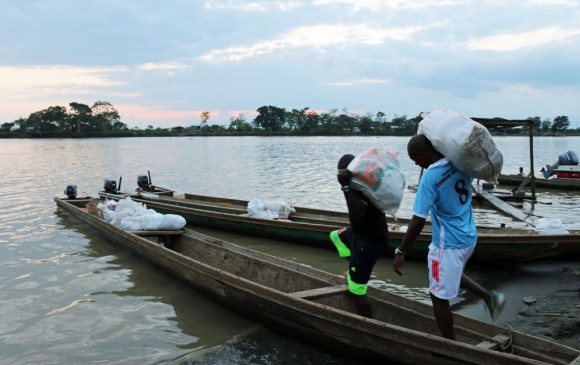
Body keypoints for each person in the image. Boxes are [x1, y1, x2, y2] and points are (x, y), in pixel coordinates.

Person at [393, 134, 506, 340]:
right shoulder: (460, 163)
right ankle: (489, 297)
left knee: (437, 296)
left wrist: (401, 251)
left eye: (415, 159)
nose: (417, 163)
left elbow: (417, 221)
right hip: (469, 237)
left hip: (449, 244)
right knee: (449, 272)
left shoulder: (430, 177)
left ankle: (450, 345)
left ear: (423, 153)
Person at [329, 153, 390, 318]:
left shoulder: (358, 186)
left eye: (341, 173)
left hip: (369, 243)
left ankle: (369, 324)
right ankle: (353, 269)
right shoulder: (359, 183)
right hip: (361, 235)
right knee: (337, 236)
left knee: (357, 290)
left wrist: (345, 187)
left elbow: (357, 212)